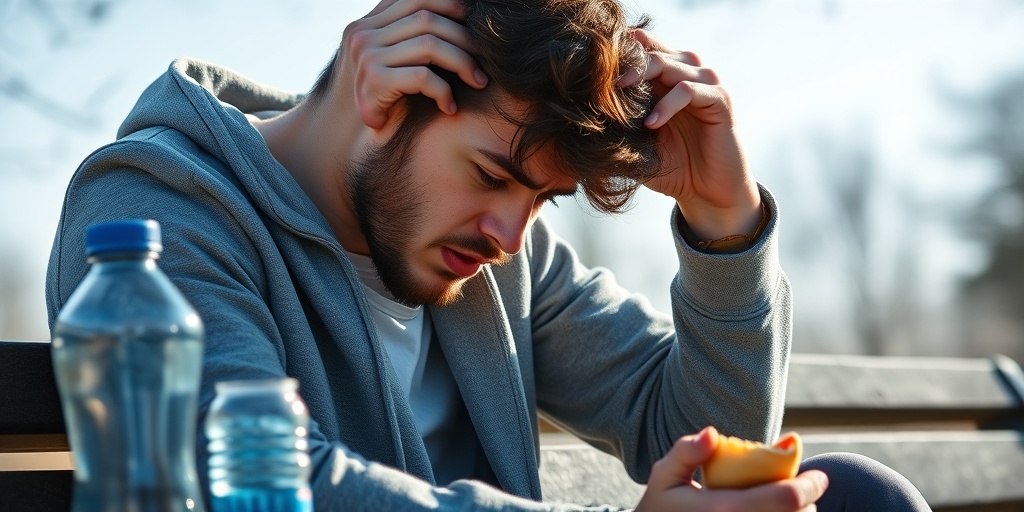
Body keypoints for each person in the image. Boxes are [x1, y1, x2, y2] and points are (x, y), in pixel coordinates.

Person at [46, 0, 930, 510]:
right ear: (386, 90)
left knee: (854, 496)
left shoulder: (502, 254)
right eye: (491, 175)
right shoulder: (155, 208)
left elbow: (703, 439)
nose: (510, 234)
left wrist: (723, 221)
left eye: (540, 199)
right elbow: (257, 479)